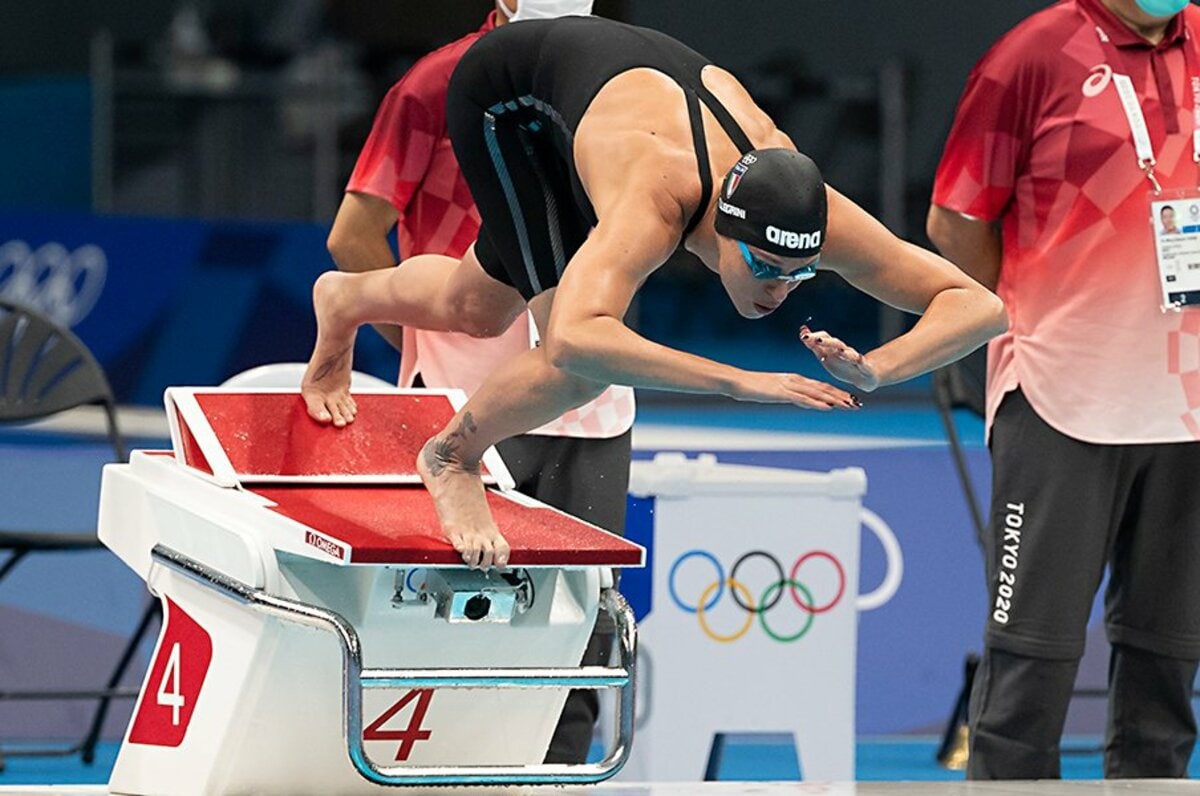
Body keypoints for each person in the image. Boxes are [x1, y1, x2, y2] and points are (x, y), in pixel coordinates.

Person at [303, 16, 1007, 574]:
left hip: (611, 90)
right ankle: (450, 457)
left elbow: (981, 305)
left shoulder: (809, 208)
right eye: (764, 267)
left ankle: (345, 299)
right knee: (567, 365)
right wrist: (738, 381)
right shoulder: (656, 199)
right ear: (721, 233)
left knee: (478, 305)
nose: (780, 290)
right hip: (510, 99)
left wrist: (884, 365)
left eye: (801, 273)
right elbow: (578, 339)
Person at [326, 0, 623, 765]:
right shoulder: (434, 84)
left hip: (589, 390)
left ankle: (560, 780)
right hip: (465, 394)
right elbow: (354, 234)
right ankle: (443, 772)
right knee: (456, 611)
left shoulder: (616, 79)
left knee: (584, 618)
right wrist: (419, 340)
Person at [928, 0, 1200, 780]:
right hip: (1061, 395)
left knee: (1168, 666)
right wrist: (1024, 317)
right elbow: (955, 221)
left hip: (1186, 406)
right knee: (1030, 667)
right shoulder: (1032, 57)